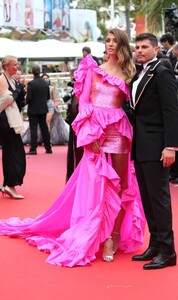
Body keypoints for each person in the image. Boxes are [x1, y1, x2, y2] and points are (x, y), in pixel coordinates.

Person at [0, 28, 145, 267]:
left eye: (113, 41)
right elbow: (84, 103)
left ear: (121, 44)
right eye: (106, 40)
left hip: (118, 130)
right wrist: (89, 135)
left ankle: (114, 235)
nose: (109, 44)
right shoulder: (92, 69)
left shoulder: (131, 73)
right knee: (96, 185)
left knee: (122, 185)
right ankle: (98, 233)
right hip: (96, 132)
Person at [129, 33, 178, 270]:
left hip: (158, 145)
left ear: (156, 49)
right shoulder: (139, 74)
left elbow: (171, 111)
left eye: (144, 47)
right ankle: (156, 243)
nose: (139, 50)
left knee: (159, 198)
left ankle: (168, 250)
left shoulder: (162, 71)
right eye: (137, 47)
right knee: (148, 198)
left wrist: (171, 145)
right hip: (140, 145)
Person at [0, 55, 26, 199]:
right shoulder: (2, 79)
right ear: (6, 66)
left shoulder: (11, 80)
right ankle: (10, 186)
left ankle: (9, 185)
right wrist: (17, 92)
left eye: (17, 64)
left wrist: (20, 92)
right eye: (14, 65)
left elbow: (18, 100)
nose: (17, 67)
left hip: (10, 121)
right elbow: (7, 99)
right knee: (14, 154)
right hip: (5, 122)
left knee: (13, 154)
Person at [26, 66, 52, 155]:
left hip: (33, 109)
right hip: (43, 108)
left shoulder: (31, 84)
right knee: (44, 128)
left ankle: (33, 148)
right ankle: (48, 148)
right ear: (40, 72)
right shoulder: (45, 84)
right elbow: (48, 97)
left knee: (33, 129)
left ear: (32, 72)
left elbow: (28, 98)